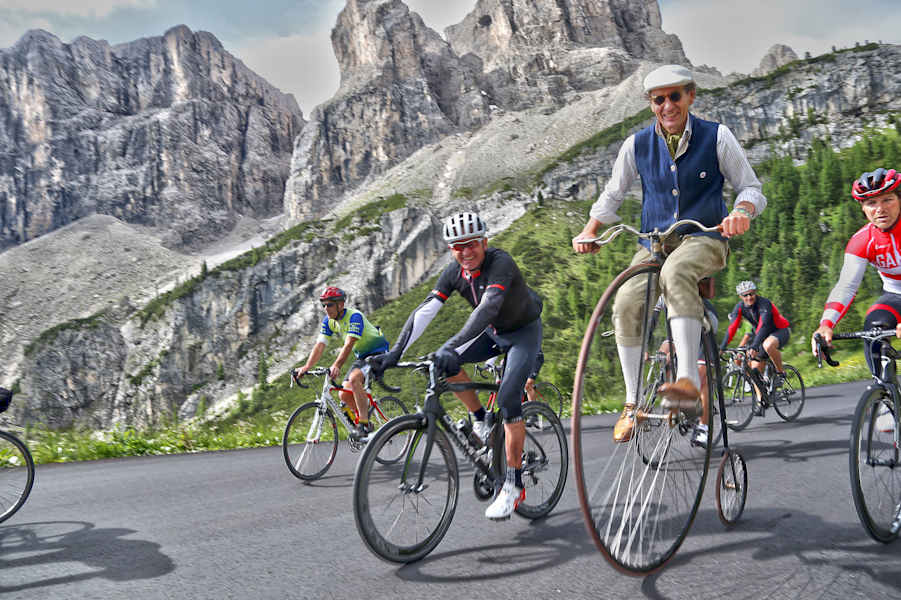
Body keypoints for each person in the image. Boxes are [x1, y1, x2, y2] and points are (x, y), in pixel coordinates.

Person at [572, 64, 766, 443]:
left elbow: (750, 187)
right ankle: (631, 403)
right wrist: (591, 230)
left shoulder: (717, 137)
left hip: (705, 239)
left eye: (675, 96)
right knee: (625, 299)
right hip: (655, 242)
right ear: (651, 104)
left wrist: (742, 212)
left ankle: (688, 384)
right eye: (659, 100)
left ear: (691, 95)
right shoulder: (637, 145)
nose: (667, 106)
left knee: (675, 273)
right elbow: (613, 193)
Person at [371, 212, 543, 520]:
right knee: (442, 362)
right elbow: (426, 311)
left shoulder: (500, 263)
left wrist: (452, 345)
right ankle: (479, 418)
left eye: (471, 244)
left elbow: (488, 308)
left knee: (506, 400)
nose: (465, 252)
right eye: (457, 246)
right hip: (492, 335)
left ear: (484, 242)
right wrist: (394, 353)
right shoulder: (453, 273)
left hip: (522, 335)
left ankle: (514, 485)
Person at [811, 168, 901, 431]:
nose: (880, 209)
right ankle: (883, 393)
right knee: (873, 328)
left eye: (887, 199)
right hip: (895, 294)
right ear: (863, 209)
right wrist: (826, 324)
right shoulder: (863, 240)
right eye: (871, 203)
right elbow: (846, 286)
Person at [293, 286, 390, 440]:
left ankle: (363, 424)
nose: (326, 308)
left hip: (378, 353)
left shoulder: (355, 317)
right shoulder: (329, 322)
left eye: (330, 304)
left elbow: (349, 344)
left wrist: (336, 365)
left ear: (340, 305)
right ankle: (367, 422)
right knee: (343, 394)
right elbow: (320, 346)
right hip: (362, 357)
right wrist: (306, 367)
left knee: (354, 379)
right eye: (324, 305)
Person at [649, 277, 719, 447]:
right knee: (662, 353)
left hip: (704, 324)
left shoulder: (684, 280)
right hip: (678, 329)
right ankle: (677, 398)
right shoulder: (661, 293)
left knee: (702, 377)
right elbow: (653, 319)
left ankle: (703, 427)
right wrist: (644, 345)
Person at [721, 280, 791, 398]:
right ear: (740, 296)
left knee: (767, 345)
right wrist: (722, 347)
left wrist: (754, 346)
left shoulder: (764, 303)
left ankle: (780, 373)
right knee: (754, 369)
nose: (749, 297)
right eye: (745, 295)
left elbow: (763, 325)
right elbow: (732, 328)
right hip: (761, 335)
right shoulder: (739, 307)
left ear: (755, 293)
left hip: (779, 331)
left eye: (751, 294)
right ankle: (761, 400)